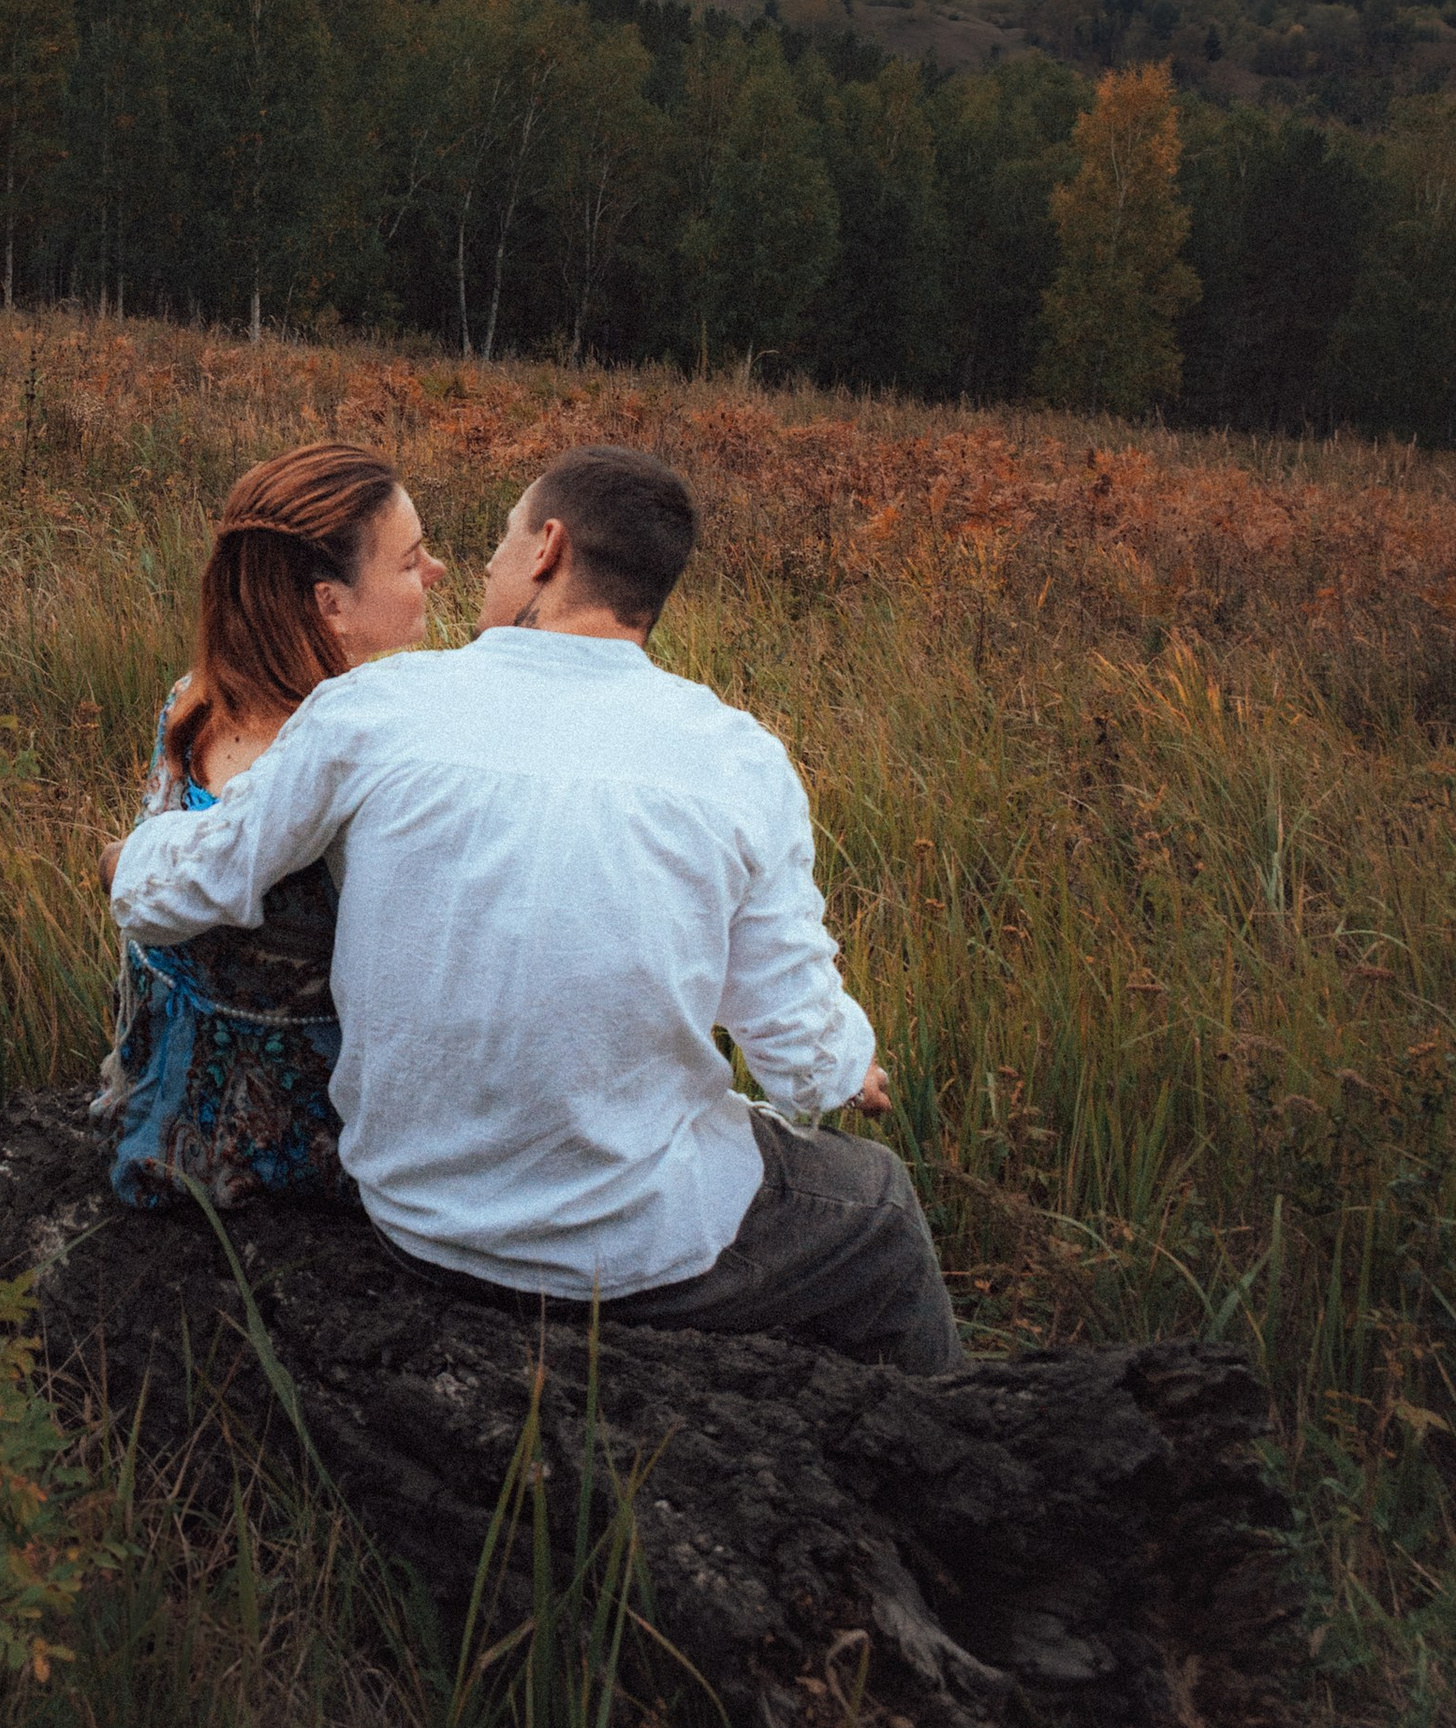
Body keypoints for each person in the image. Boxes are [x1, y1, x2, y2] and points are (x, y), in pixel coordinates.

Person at [110, 442, 960, 1374]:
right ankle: (947, 1448)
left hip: (413, 1220)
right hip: (627, 1253)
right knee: (875, 1204)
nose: (476, 563)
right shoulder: (737, 757)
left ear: (548, 548)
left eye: (505, 534)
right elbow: (791, 1039)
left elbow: (184, 884)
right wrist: (844, 1068)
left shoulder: (376, 706)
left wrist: (134, 851)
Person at [95, 442, 446, 1208]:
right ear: (331, 603)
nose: (436, 572)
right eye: (411, 559)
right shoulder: (380, 762)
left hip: (172, 1116)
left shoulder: (192, 703)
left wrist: (118, 860)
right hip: (318, 1144)